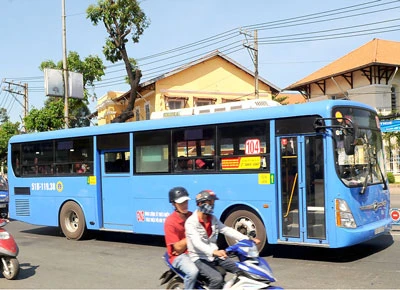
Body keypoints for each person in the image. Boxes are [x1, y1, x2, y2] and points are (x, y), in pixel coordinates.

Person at [185, 190, 260, 289]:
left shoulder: (212, 219)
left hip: (215, 256)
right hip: (199, 258)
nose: (212, 205)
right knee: (217, 279)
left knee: (242, 270)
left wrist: (248, 239)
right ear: (200, 203)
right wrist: (214, 251)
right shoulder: (191, 222)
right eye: (210, 202)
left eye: (213, 202)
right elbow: (197, 243)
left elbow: (226, 230)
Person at [164, 187, 199, 289]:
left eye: (186, 202)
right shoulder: (170, 222)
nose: (184, 205)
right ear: (174, 204)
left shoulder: (192, 216)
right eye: (181, 203)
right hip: (178, 257)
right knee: (193, 272)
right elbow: (178, 249)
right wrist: (192, 236)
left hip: (193, 251)